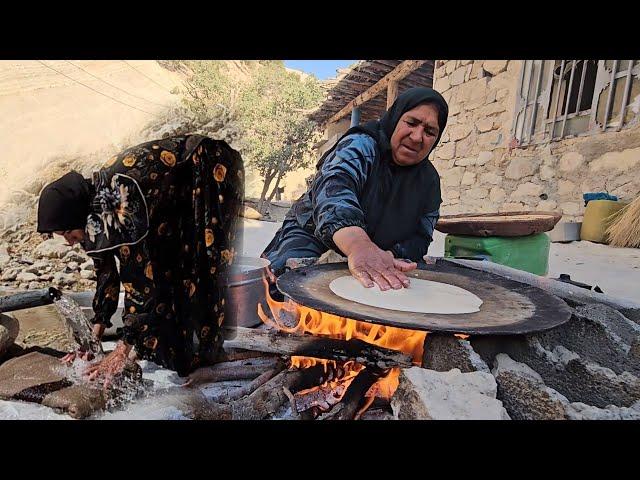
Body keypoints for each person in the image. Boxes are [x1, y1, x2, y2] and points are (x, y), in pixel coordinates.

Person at [37, 134, 244, 385]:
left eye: (67, 233)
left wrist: (121, 351)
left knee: (198, 263)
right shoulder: (92, 214)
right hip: (172, 193)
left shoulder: (120, 203)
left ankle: (208, 355)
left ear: (74, 218)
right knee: (165, 270)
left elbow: (141, 282)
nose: (69, 241)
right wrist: (93, 339)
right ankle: (178, 354)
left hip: (206, 168)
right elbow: (106, 274)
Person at [262, 87, 448, 292]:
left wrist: (390, 256)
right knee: (286, 287)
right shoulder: (361, 146)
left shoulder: (428, 182)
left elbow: (420, 237)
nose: (417, 137)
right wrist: (359, 246)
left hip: (375, 255)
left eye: (429, 131)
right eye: (411, 123)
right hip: (312, 234)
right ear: (395, 118)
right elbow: (334, 189)